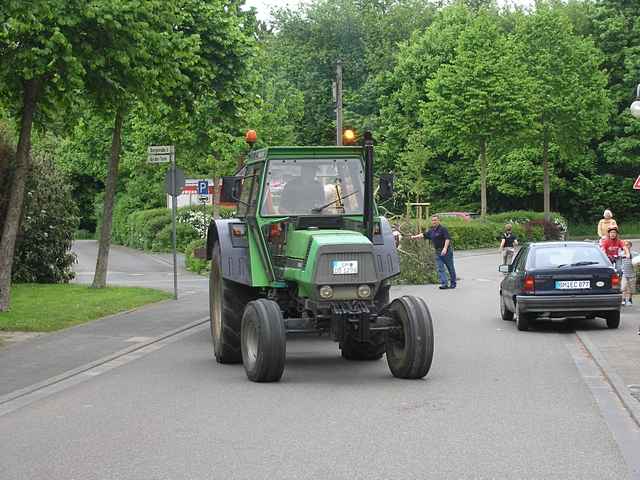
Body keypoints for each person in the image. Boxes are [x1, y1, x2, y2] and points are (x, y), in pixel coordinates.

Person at [410, 214, 457, 289]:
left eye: (435, 220)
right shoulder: (432, 231)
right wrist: (414, 237)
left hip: (446, 251)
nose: (434, 222)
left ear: (439, 221)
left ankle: (453, 283)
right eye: (432, 220)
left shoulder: (443, 229)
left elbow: (447, 239)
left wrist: (445, 248)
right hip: (438, 252)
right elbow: (424, 235)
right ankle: (444, 284)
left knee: (450, 268)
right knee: (440, 268)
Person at [621, 241, 635, 306]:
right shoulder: (621, 254)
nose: (626, 246)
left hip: (632, 274)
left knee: (631, 288)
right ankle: (623, 300)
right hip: (624, 273)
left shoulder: (634, 254)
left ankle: (630, 300)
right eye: (625, 245)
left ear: (630, 246)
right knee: (623, 287)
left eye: (628, 245)